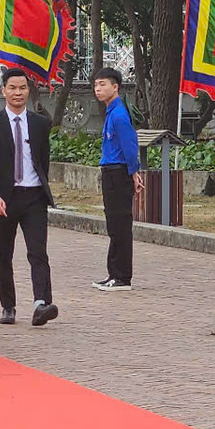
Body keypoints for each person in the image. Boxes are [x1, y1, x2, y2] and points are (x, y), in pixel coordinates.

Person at [0, 68, 58, 326]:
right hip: (3, 199)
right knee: (3, 254)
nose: (17, 93)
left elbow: (42, 160)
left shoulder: (40, 123)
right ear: (3, 91)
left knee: (38, 252)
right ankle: (8, 306)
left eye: (22, 88)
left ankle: (41, 304)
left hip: (34, 196)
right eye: (12, 88)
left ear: (28, 90)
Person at [91, 68, 144, 292]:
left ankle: (121, 277)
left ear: (115, 87)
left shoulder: (120, 114)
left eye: (103, 84)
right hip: (112, 171)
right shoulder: (111, 112)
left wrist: (134, 172)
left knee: (120, 224)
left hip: (118, 172)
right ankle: (114, 273)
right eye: (96, 85)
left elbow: (130, 146)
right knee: (114, 224)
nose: (98, 89)